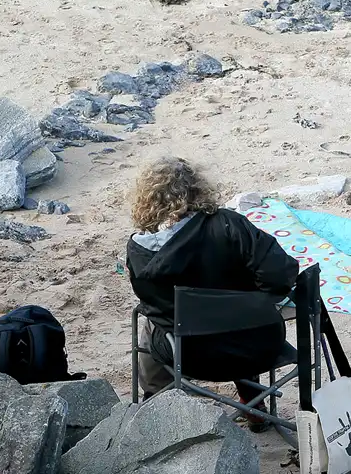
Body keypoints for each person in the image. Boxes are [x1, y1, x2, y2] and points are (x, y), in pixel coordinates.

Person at [126, 156, 300, 423]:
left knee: (151, 321)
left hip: (187, 355)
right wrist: (255, 296)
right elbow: (281, 275)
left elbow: (152, 303)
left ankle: (159, 409)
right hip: (258, 347)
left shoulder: (139, 250)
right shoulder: (230, 225)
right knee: (241, 311)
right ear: (196, 188)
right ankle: (252, 402)